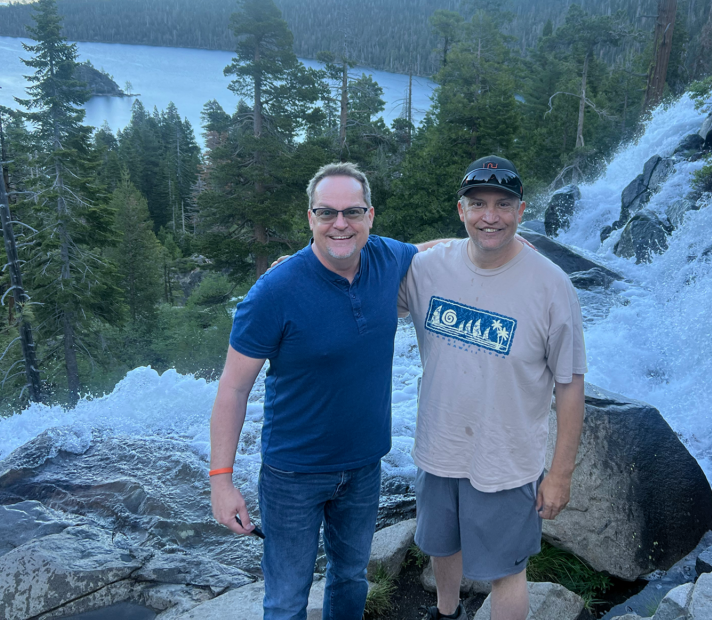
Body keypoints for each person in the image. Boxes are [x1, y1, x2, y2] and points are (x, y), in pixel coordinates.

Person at [209, 162, 442, 620]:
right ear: (310, 218)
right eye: (327, 213)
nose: (340, 224)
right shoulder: (273, 291)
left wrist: (505, 245)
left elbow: (433, 251)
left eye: (352, 212)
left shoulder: (386, 258)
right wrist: (221, 480)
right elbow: (233, 389)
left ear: (370, 216)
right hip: (293, 474)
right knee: (286, 599)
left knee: (351, 578)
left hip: (364, 465)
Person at [397, 156, 587, 620]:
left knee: (506, 572)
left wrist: (559, 474)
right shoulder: (427, 268)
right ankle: (447, 613)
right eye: (477, 203)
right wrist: (305, 264)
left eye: (503, 204)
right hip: (438, 446)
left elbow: (570, 384)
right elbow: (360, 277)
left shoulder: (551, 286)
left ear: (521, 211)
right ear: (461, 210)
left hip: (506, 459)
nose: (490, 216)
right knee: (442, 545)